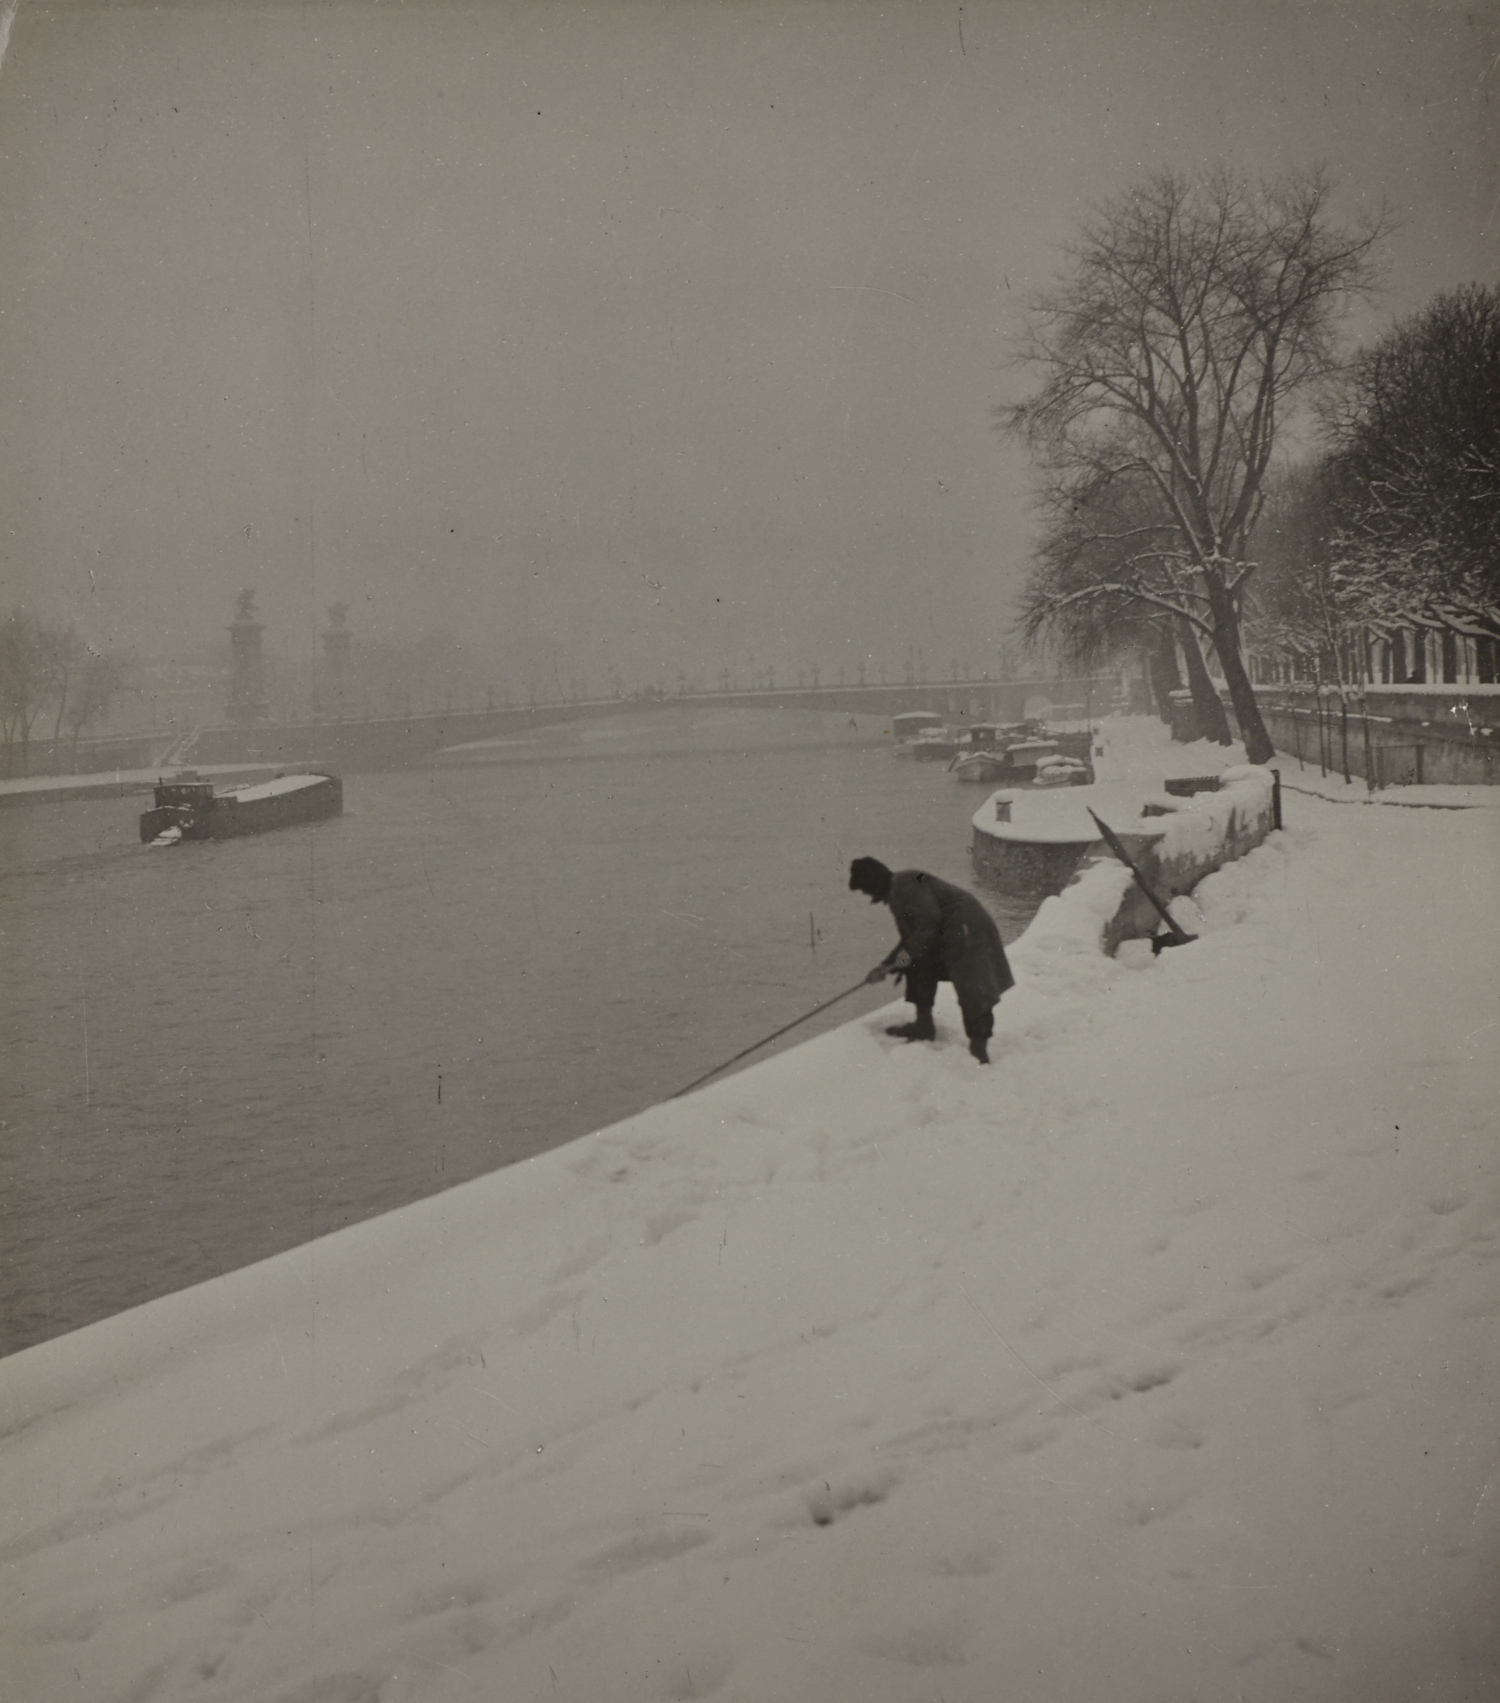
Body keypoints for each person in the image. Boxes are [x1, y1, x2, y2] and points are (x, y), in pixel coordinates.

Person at [848, 856, 1014, 1064]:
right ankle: (923, 1026)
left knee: (974, 991)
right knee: (917, 962)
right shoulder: (896, 891)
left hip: (968, 931)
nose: (866, 894)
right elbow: (912, 938)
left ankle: (978, 1050)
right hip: (947, 935)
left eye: (865, 889)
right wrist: (886, 965)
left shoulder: (906, 883)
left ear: (874, 883)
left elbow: (928, 921)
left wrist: (903, 957)